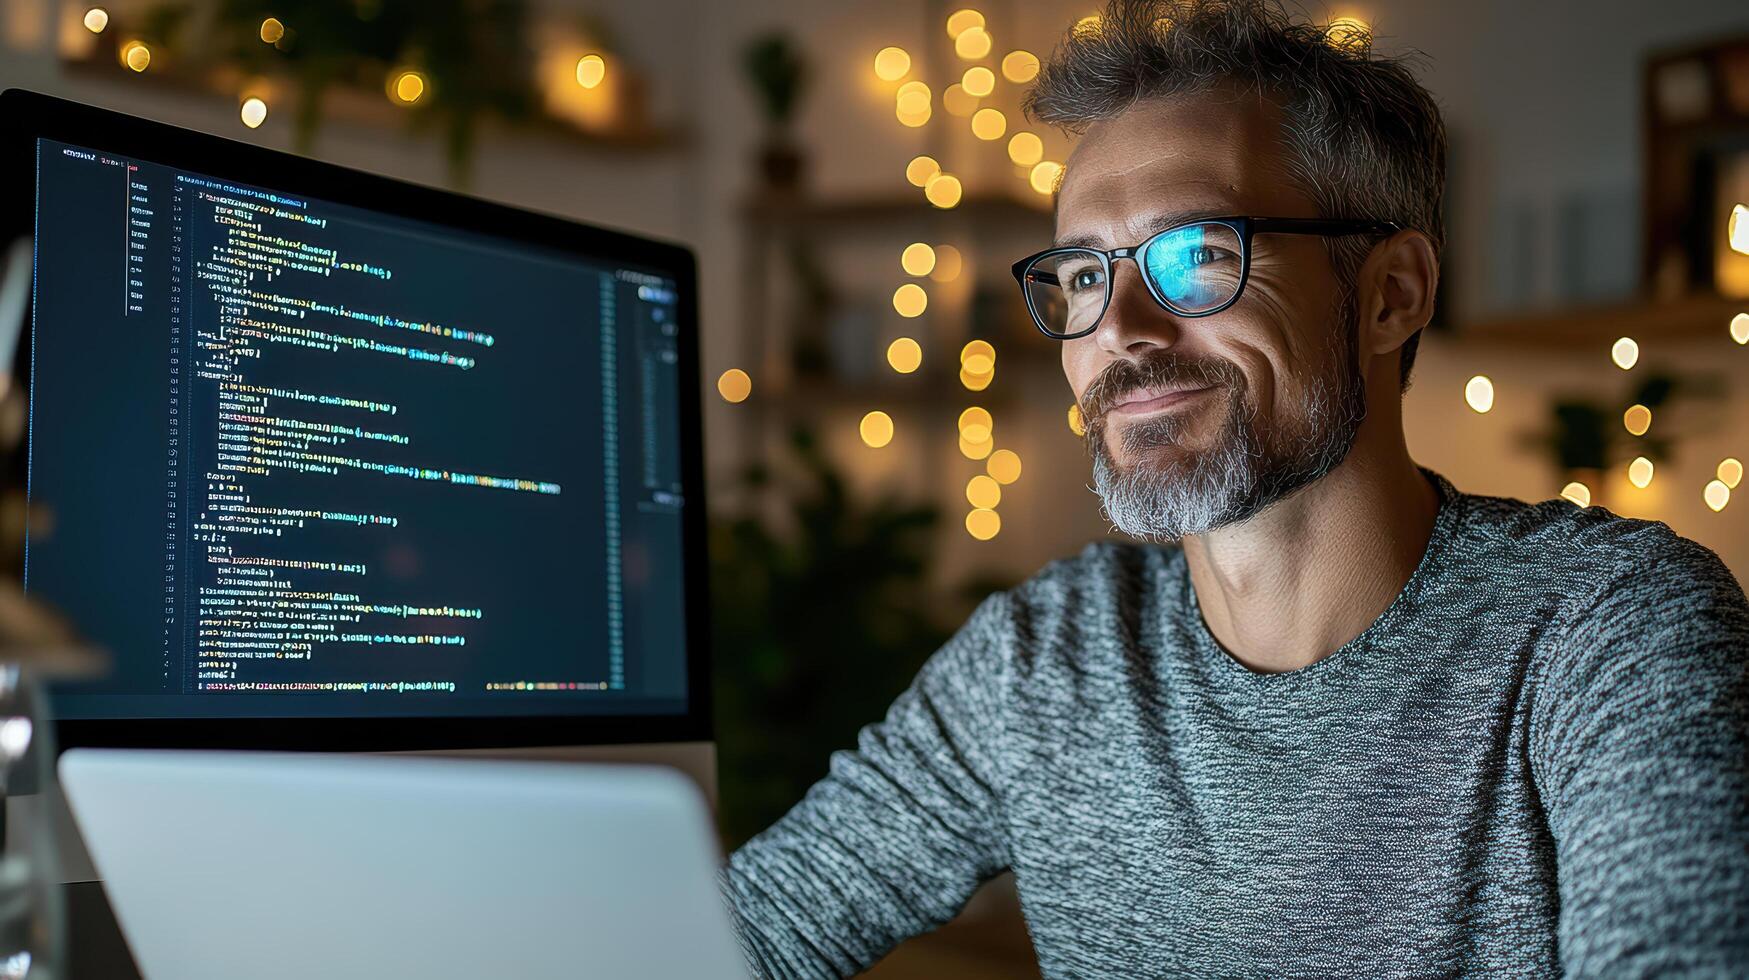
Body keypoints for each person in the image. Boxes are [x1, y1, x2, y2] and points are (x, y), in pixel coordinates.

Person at [719, 1, 1749, 976]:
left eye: (1198, 254)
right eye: (1083, 276)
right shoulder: (1043, 663)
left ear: (1391, 295)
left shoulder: (1613, 632)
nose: (1120, 327)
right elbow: (736, 936)